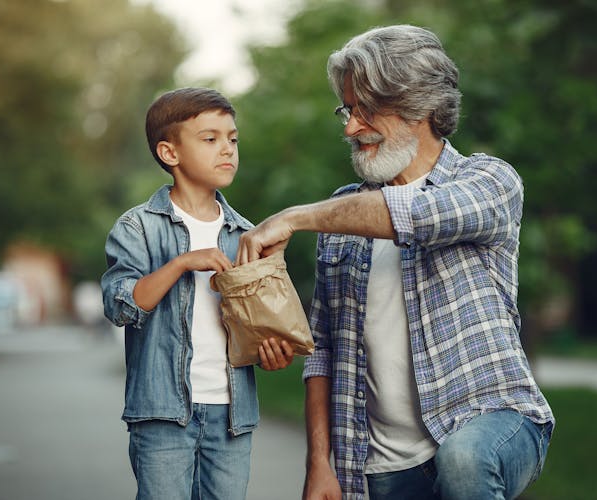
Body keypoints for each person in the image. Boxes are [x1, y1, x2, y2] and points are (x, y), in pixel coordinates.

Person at [236, 25, 555, 500]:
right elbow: (323, 351)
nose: (350, 127)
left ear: (419, 105)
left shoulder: (489, 182)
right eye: (347, 110)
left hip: (489, 419)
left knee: (463, 460)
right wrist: (319, 465)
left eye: (366, 109)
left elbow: (418, 215)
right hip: (379, 466)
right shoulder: (340, 215)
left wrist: (293, 217)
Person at [101, 87, 294, 500]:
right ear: (170, 153)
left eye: (233, 139)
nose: (227, 149)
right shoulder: (138, 228)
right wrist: (181, 263)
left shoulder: (248, 234)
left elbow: (259, 326)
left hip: (232, 414)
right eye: (210, 139)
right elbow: (120, 305)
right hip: (162, 413)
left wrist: (270, 352)